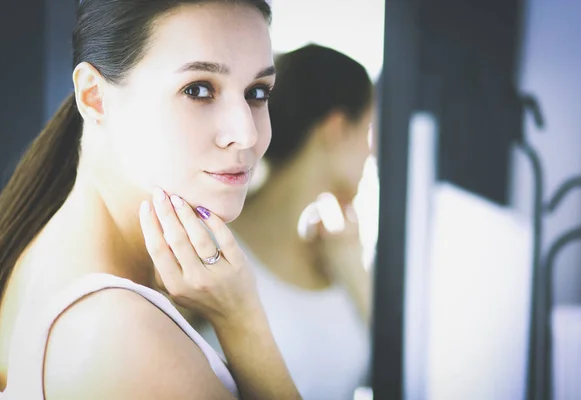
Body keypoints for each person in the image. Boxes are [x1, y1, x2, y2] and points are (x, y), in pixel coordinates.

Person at [0, 1, 301, 399]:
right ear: (94, 97)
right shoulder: (119, 334)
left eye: (256, 92)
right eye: (198, 89)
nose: (246, 133)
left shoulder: (46, 247)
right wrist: (243, 322)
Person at [193, 44, 375, 400]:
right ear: (337, 128)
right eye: (367, 130)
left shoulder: (338, 258)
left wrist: (355, 272)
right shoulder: (209, 252)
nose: (371, 152)